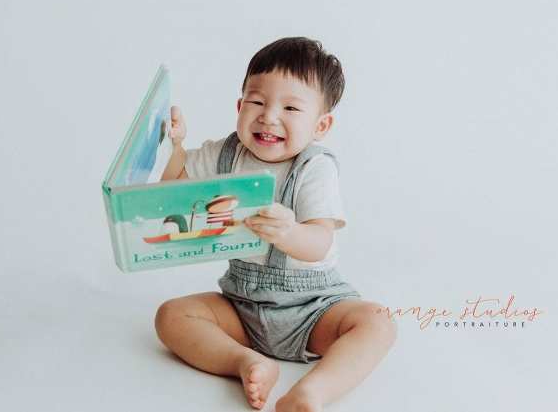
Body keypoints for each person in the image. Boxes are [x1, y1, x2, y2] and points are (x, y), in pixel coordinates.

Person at [155, 37, 397, 412]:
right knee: (171, 316)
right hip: (242, 306)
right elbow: (172, 191)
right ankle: (245, 362)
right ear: (239, 106)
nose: (269, 116)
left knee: (377, 322)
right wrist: (176, 148)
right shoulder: (226, 153)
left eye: (290, 108)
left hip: (313, 307)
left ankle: (312, 391)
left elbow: (320, 241)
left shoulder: (314, 168)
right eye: (257, 102)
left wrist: (290, 233)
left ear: (321, 124)